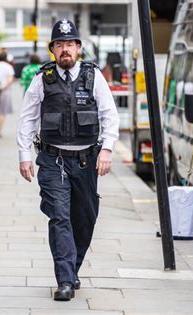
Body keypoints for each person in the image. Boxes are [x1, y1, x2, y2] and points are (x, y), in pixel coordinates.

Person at [17, 19, 119, 301]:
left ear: (78, 48)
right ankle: (63, 280)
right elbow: (27, 119)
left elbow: (110, 115)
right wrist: (25, 156)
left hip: (87, 160)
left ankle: (72, 268)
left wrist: (107, 150)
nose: (65, 50)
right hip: (52, 160)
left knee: (85, 219)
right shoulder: (42, 79)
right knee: (59, 218)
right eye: (59, 45)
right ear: (53, 49)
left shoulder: (93, 76)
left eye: (69, 45)